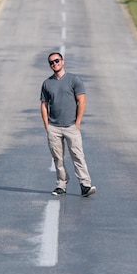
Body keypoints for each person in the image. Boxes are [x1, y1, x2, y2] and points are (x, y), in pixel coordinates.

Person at [40, 52, 96, 197]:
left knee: (77, 156)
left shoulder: (74, 80)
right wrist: (47, 125)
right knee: (57, 158)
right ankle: (61, 185)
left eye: (57, 60)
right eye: (51, 62)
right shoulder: (47, 83)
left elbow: (82, 102)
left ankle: (85, 185)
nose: (54, 64)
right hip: (54, 127)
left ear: (63, 61)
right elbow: (44, 105)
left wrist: (77, 122)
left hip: (71, 126)